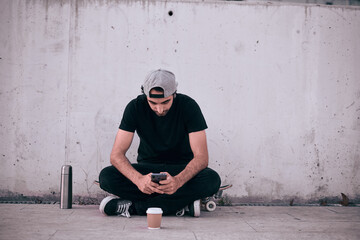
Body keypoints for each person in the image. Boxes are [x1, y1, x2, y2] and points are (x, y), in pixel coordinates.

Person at [98, 69, 221, 218]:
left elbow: (201, 158)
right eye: (153, 103)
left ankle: (133, 208)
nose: (160, 109)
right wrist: (139, 180)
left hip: (180, 170)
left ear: (174, 94)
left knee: (212, 179)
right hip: (148, 171)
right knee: (107, 176)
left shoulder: (189, 106)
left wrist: (178, 181)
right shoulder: (135, 107)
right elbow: (116, 155)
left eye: (165, 102)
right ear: (145, 95)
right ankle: (180, 204)